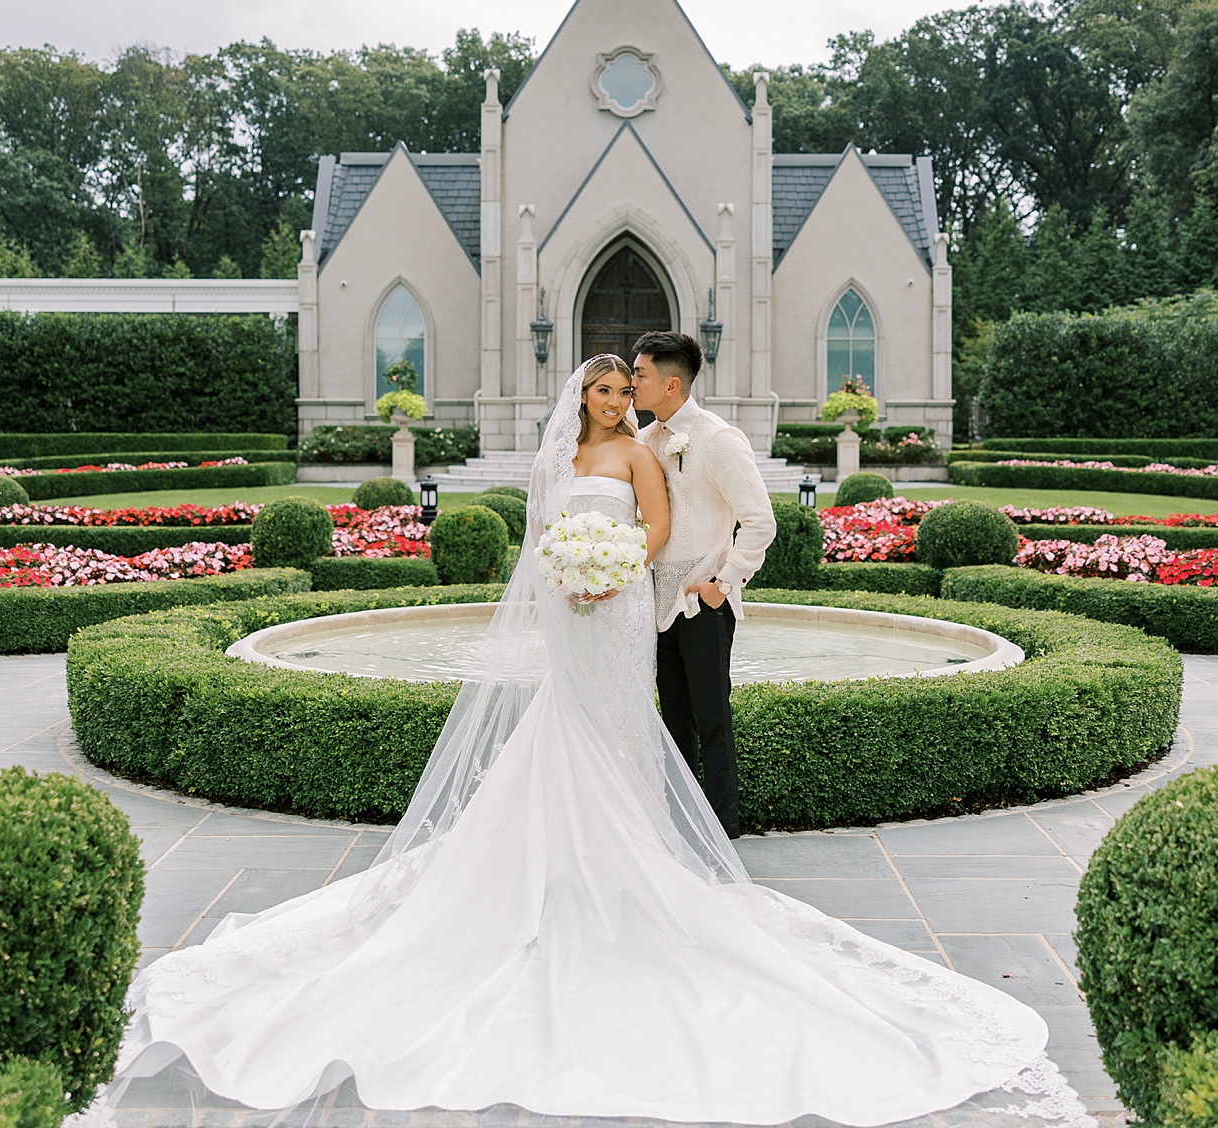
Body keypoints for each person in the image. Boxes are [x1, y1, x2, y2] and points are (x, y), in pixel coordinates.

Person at [69, 358, 1081, 1128]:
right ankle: (544, 872)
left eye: (617, 386)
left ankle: (623, 866)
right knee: (558, 732)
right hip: (567, 606)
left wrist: (615, 569)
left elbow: (649, 529)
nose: (608, 398)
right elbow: (543, 532)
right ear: (581, 398)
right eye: (598, 386)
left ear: (632, 400)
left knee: (617, 735)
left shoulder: (644, 454)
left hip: (614, 608)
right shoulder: (560, 457)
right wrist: (568, 567)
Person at [630, 330, 773, 838]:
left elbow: (760, 520)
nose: (632, 381)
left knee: (712, 718)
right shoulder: (644, 440)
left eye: (640, 373)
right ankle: (679, 824)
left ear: (671, 384)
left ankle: (723, 828)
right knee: (674, 724)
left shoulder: (717, 440)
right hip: (657, 604)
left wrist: (723, 581)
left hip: (703, 603)